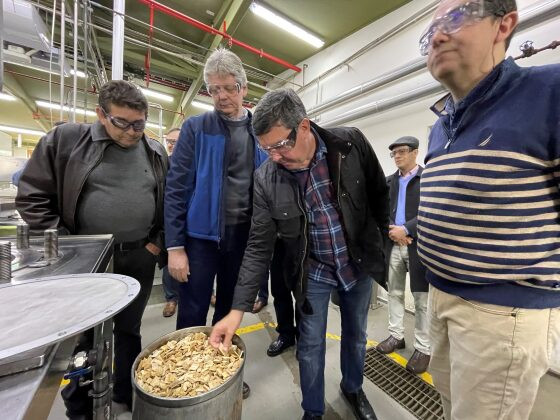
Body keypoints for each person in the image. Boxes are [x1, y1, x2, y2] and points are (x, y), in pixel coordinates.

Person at [417, 1, 560, 419]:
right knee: (450, 406)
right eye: (430, 33)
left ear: (505, 25)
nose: (438, 37)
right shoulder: (441, 125)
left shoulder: (548, 92)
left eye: (455, 19)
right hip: (442, 295)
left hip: (502, 314)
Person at [210, 88, 389, 420]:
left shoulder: (349, 144)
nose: (275, 156)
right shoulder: (266, 178)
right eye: (267, 149)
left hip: (357, 265)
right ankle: (313, 410)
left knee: (356, 336)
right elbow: (258, 246)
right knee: (309, 348)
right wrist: (236, 310)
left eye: (280, 146)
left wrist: (380, 246)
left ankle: (353, 388)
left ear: (304, 127)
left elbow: (380, 194)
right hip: (313, 272)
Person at [16, 80, 167, 415]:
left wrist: (156, 243)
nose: (132, 132)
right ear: (101, 114)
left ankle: (126, 394)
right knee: (82, 337)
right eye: (123, 123)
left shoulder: (154, 151)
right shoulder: (66, 141)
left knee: (129, 330)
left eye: (139, 124)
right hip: (88, 261)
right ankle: (80, 408)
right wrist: (72, 248)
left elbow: (167, 203)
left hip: (138, 255)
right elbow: (32, 198)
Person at [164, 47, 268, 399]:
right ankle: (184, 379)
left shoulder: (259, 129)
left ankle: (224, 377)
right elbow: (176, 188)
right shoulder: (196, 128)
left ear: (243, 87)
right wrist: (175, 247)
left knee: (230, 308)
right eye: (213, 89)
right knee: (192, 310)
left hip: (243, 238)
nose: (221, 95)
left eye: (228, 87)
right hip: (200, 239)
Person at [376, 136, 430, 374]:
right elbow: (382, 212)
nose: (397, 156)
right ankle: (396, 336)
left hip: (418, 247)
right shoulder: (389, 182)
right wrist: (394, 232)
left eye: (401, 152)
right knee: (394, 293)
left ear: (415, 153)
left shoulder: (428, 179)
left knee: (422, 301)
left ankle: (423, 348)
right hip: (394, 245)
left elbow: (431, 211)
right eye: (394, 153)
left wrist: (406, 230)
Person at [161, 128, 180, 318]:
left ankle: (209, 294)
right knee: (170, 262)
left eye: (177, 141)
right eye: (170, 141)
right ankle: (171, 298)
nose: (172, 145)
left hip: (192, 221)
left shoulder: (195, 163)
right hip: (170, 221)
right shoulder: (164, 163)